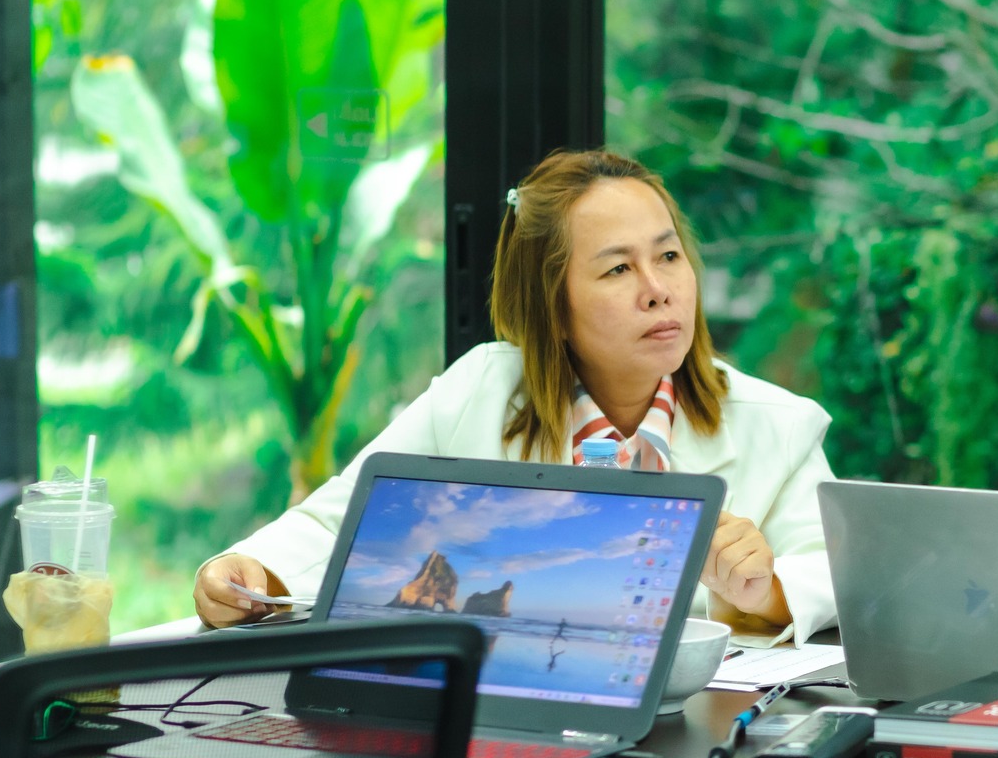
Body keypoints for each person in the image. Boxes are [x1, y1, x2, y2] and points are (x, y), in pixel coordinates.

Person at [194, 148, 837, 642]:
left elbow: (847, 578)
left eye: (668, 256)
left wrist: (764, 590)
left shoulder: (778, 426)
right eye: (618, 268)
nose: (658, 288)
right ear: (551, 306)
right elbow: (341, 520)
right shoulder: (477, 393)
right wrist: (246, 571)